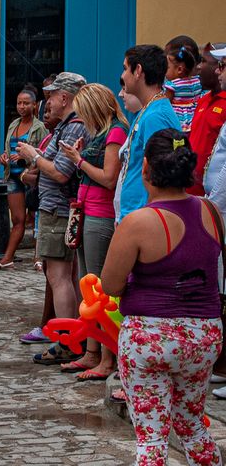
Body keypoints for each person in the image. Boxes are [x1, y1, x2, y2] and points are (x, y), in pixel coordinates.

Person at [101, 130, 224, 466]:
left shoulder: (138, 222)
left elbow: (110, 284)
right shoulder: (211, 212)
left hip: (151, 338)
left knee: (152, 438)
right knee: (193, 426)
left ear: (144, 168)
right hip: (203, 336)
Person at [56, 83, 128, 380]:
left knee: (100, 291)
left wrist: (79, 161)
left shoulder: (115, 132)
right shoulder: (99, 133)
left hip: (101, 215)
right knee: (89, 288)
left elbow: (109, 178)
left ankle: (106, 358)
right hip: (87, 211)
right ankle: (91, 352)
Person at [16, 72, 88, 365]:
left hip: (58, 209)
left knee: (59, 278)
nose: (48, 102)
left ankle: (66, 341)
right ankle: (72, 337)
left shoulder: (73, 127)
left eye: (51, 96)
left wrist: (34, 156)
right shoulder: (67, 126)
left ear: (64, 97)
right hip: (57, 207)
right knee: (64, 277)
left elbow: (60, 172)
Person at [117, 45, 181, 223]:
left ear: (138, 71)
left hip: (145, 218)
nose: (122, 76)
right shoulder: (148, 110)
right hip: (137, 215)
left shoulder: (156, 116)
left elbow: (160, 175)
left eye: (124, 68)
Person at [0, 87, 47, 271]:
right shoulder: (13, 124)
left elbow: (44, 153)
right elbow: (9, 149)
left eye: (26, 103)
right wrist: (4, 158)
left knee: (38, 218)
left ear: (34, 105)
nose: (22, 106)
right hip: (12, 175)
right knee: (18, 219)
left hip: (31, 176)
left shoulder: (40, 127)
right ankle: (8, 258)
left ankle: (39, 258)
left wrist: (25, 158)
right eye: (19, 103)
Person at [188, 43, 226, 196]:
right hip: (193, 193)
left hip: (216, 200)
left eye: (203, 61)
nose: (198, 67)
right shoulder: (203, 101)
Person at [163, 35, 202, 134]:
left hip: (178, 120)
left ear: (179, 69)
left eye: (167, 67)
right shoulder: (198, 81)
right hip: (195, 119)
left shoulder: (172, 85)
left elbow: (165, 104)